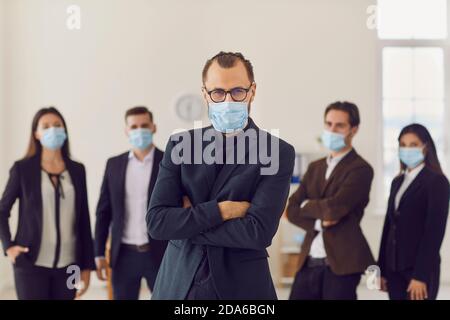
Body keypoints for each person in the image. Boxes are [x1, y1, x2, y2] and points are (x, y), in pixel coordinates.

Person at [147, 51, 295, 300]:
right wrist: (223, 211)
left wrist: (185, 222)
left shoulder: (277, 152)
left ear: (253, 91)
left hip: (241, 289)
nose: (228, 100)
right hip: (179, 284)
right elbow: (158, 222)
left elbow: (258, 232)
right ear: (205, 93)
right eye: (218, 92)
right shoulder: (180, 145)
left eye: (238, 91)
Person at [0, 107, 95, 300]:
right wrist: (9, 247)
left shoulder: (77, 170)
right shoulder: (22, 169)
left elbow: (84, 219)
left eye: (57, 125)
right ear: (36, 133)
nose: (53, 130)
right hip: (30, 264)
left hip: (71, 266)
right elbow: (2, 210)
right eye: (46, 126)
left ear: (65, 130)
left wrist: (86, 266)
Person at [286, 101, 375, 300]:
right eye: (328, 124)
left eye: (339, 125)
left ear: (354, 129)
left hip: (342, 265)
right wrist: (318, 220)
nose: (332, 130)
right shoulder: (315, 167)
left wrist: (306, 206)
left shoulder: (361, 169)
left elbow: (334, 209)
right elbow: (291, 209)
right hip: (308, 261)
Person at [94, 106, 168, 300]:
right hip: (123, 255)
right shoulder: (114, 164)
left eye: (144, 125)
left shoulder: (169, 162)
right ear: (126, 131)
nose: (139, 130)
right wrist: (99, 253)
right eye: (134, 126)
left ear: (154, 127)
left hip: (160, 252)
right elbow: (103, 212)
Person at [378, 123, 449, 300]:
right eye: (403, 144)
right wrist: (381, 270)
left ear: (426, 147)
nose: (407, 149)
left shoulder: (437, 182)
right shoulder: (397, 181)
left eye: (413, 145)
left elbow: (434, 232)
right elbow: (388, 227)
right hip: (394, 268)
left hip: (418, 271)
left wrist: (421, 275)